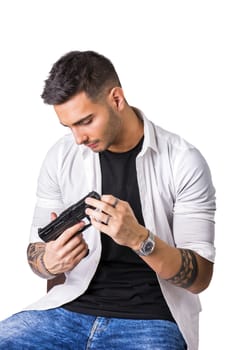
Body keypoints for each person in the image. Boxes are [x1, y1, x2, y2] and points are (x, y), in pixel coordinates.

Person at [0, 51, 216, 350]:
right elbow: (35, 253)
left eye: (86, 121)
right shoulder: (61, 157)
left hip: (151, 319)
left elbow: (200, 277)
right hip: (68, 308)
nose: (78, 138)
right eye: (69, 127)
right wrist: (49, 262)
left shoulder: (182, 161)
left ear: (116, 99)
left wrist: (140, 239)